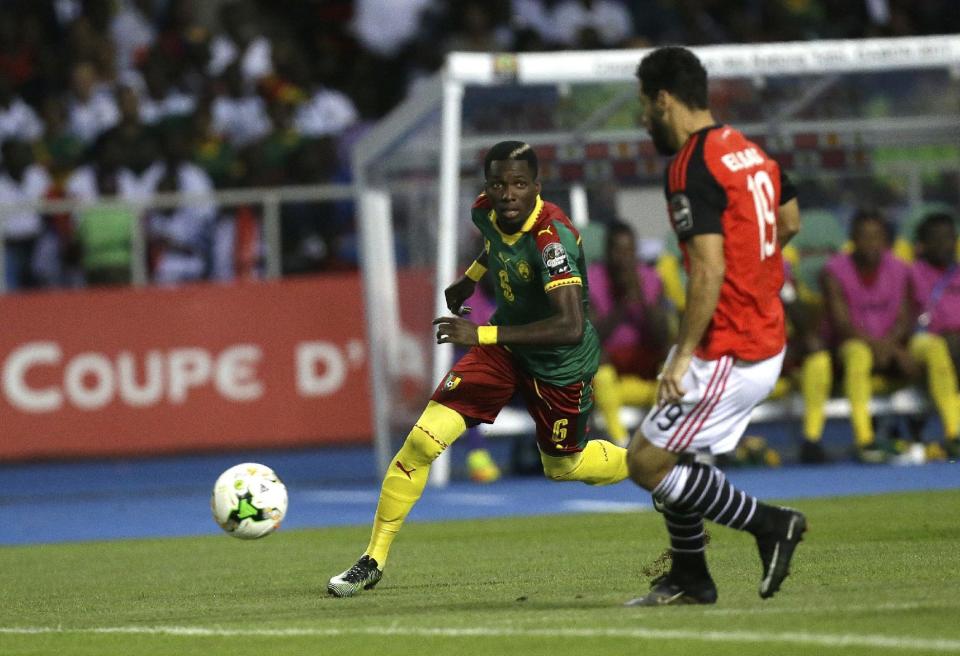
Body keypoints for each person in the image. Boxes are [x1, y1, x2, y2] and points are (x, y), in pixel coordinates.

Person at [328, 140, 629, 597]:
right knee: (420, 443)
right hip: (504, 349)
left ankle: (654, 466)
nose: (507, 193)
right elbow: (494, 245)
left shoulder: (553, 239)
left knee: (563, 468)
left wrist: (480, 334)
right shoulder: (486, 209)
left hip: (558, 361)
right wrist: (468, 279)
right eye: (498, 183)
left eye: (519, 184)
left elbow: (569, 325)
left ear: (537, 188)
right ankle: (373, 559)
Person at [624, 46, 806, 607]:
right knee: (680, 451)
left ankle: (770, 525)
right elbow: (791, 219)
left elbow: (706, 268)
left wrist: (682, 355)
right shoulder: (748, 151)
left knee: (646, 461)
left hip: (731, 345)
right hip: (761, 331)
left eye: (644, 107)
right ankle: (690, 577)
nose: (644, 120)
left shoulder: (689, 166)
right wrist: (755, 266)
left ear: (664, 100)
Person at [822, 210, 959, 462]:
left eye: (877, 237)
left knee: (935, 347)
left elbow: (906, 317)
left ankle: (954, 433)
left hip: (897, 342)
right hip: (852, 346)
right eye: (865, 237)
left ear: (886, 240)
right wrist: (883, 347)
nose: (871, 243)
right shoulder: (834, 271)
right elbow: (842, 323)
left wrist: (893, 346)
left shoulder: (900, 269)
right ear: (852, 238)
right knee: (858, 355)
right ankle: (865, 441)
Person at [589, 221, 671, 447]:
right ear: (608, 252)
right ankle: (621, 441)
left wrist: (643, 300)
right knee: (596, 360)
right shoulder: (592, 279)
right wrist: (623, 304)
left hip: (644, 368)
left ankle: (660, 443)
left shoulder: (651, 278)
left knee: (671, 365)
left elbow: (662, 337)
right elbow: (592, 338)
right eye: (618, 251)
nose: (624, 258)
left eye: (630, 251)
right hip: (608, 373)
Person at [907, 211, 960, 459]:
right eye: (936, 239)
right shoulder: (912, 273)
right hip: (924, 342)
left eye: (949, 238)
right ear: (922, 244)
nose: (944, 245)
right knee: (943, 346)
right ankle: (954, 432)